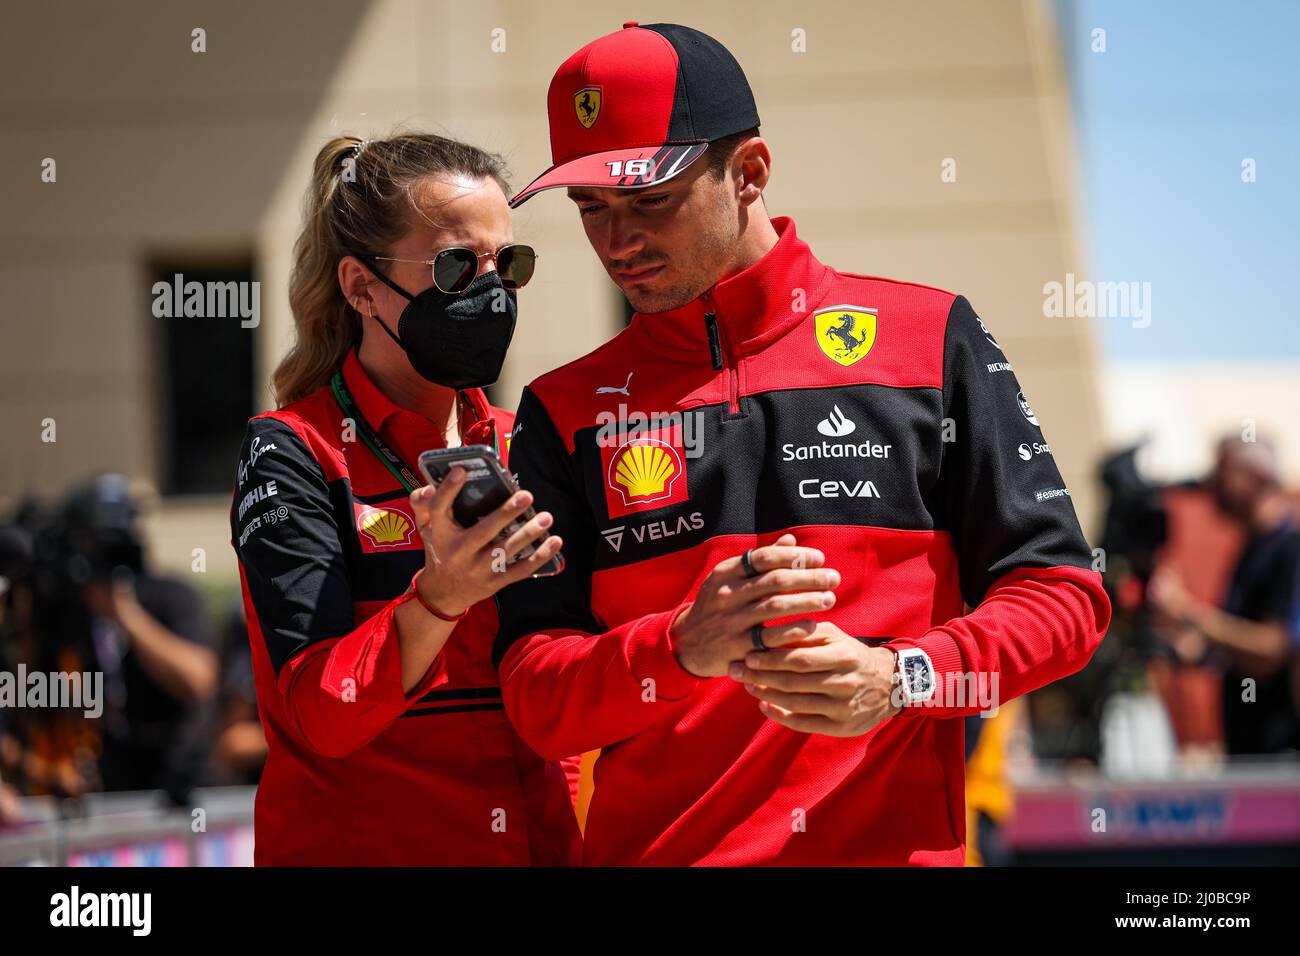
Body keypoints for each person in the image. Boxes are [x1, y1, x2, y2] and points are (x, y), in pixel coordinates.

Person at [494, 22, 1112, 865]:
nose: (617, 242)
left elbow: (1065, 599)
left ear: (748, 172)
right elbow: (535, 699)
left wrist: (903, 681)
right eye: (590, 208)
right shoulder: (561, 410)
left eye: (650, 200)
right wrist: (679, 646)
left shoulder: (928, 339)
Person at [229, 132, 580, 865]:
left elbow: (566, 681)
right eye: (456, 266)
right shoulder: (293, 451)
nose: (491, 290)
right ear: (360, 286)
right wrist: (438, 600)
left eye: (507, 265)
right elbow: (320, 716)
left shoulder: (530, 441)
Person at [1149, 435, 1300, 755]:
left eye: (1222, 471)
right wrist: (1193, 648)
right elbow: (1241, 651)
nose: (1211, 484)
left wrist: (1187, 611)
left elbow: (1272, 648)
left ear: (1257, 477)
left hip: (1280, 756)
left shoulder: (1290, 549)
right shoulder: (1253, 547)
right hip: (1249, 751)